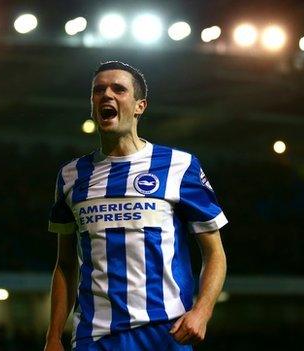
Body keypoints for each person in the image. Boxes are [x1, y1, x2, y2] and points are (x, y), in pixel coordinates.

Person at [44, 61, 227, 351]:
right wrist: (53, 335)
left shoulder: (179, 166)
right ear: (92, 105)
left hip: (165, 332)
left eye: (118, 89)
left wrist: (202, 311)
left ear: (140, 105)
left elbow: (215, 252)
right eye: (98, 90)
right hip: (95, 336)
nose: (107, 95)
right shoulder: (70, 176)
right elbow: (65, 265)